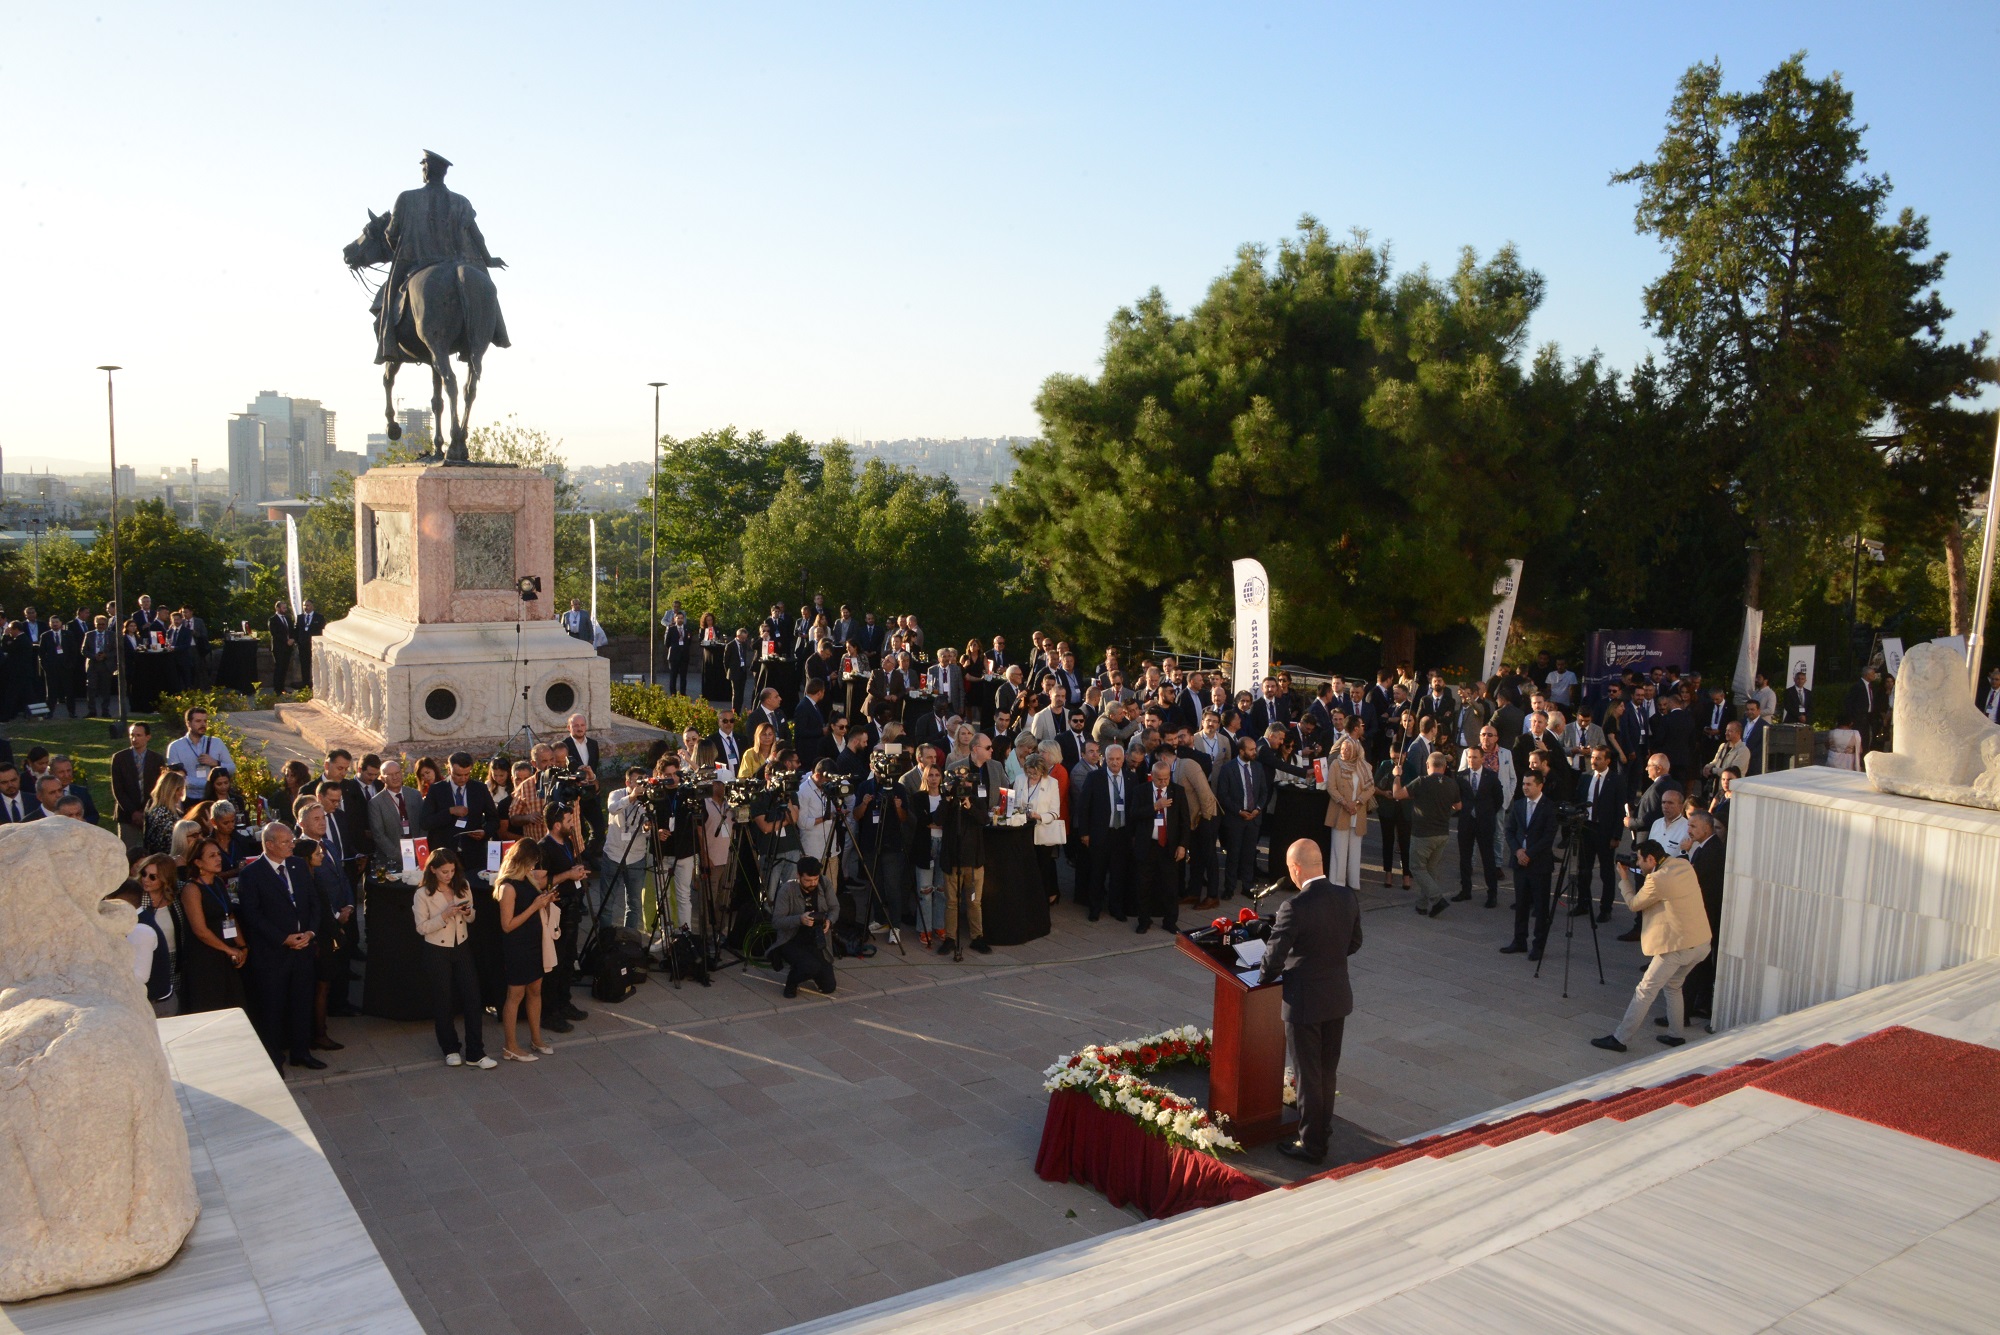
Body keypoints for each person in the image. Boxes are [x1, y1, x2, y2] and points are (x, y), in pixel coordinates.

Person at [1258, 839, 1363, 1166]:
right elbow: (1354, 942)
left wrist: (1267, 974)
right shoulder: (1347, 896)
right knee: (1326, 1072)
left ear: (1295, 869)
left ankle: (1311, 1144)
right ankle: (1322, 1129)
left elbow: (1272, 962)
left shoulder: (1294, 907)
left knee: (1307, 1075)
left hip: (1304, 1002)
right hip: (1336, 997)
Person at [1593, 840, 1714, 1052]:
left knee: (1645, 990)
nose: (1638, 864)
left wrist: (1624, 879)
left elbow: (1634, 904)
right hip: (1701, 944)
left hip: (1677, 947)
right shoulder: (1683, 865)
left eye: (1640, 859)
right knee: (1673, 985)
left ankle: (1620, 1039)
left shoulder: (1657, 880)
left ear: (1651, 859)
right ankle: (1676, 1035)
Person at [236, 823, 326, 1072]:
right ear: (269, 844)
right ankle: (274, 1057)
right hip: (273, 954)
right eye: (286, 842)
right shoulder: (251, 874)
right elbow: (252, 915)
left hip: (303, 949)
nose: (292, 845)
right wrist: (282, 938)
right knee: (273, 1007)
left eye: (291, 841)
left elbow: (313, 902)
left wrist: (311, 932)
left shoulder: (298, 865)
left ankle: (301, 1052)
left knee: (302, 1002)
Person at [413, 847, 494, 1069]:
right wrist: (444, 916)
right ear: (433, 870)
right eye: (444, 872)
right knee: (443, 1000)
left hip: (462, 946)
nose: (449, 875)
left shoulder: (463, 885)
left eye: (452, 871)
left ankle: (476, 1051)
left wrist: (467, 913)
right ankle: (450, 1048)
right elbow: (421, 927)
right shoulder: (423, 894)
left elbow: (472, 916)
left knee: (473, 998)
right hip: (436, 950)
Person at [493, 839, 556, 1063]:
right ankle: (510, 1046)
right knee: (515, 995)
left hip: (535, 943)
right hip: (518, 947)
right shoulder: (507, 887)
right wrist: (534, 906)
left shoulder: (527, 878)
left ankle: (536, 1039)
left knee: (535, 991)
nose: (534, 866)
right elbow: (507, 925)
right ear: (522, 860)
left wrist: (545, 901)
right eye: (532, 862)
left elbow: (535, 905)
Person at [536, 801, 592, 1032]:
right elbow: (540, 882)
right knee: (555, 962)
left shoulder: (567, 842)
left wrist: (577, 873)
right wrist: (568, 874)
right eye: (569, 821)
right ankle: (549, 1012)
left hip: (572, 909)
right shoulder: (543, 848)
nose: (572, 825)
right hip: (556, 911)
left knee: (568, 959)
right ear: (557, 825)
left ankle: (564, 1002)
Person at [939, 735, 995, 956]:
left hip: (973, 859)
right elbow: (939, 818)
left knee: (974, 901)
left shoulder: (976, 797)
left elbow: (983, 819)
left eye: (967, 780)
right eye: (960, 780)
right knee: (951, 902)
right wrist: (949, 799)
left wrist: (969, 805)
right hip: (952, 857)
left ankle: (977, 937)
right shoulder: (949, 798)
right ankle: (950, 938)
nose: (964, 784)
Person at [178, 837, 248, 1014]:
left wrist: (242, 946)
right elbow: (200, 930)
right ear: (198, 862)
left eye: (218, 854)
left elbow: (229, 915)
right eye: (212, 856)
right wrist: (229, 950)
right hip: (205, 959)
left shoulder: (218, 882)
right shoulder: (191, 889)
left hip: (226, 954)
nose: (218, 859)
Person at [1395, 750, 1462, 917]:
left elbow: (1397, 794)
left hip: (1422, 834)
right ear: (1444, 767)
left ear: (1427, 765)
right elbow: (1458, 806)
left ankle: (1437, 898)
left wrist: (1397, 776)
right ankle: (1422, 904)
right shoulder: (1451, 783)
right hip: (1442, 833)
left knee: (1416, 867)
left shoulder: (1421, 781)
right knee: (1430, 869)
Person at [1499, 771, 1557, 959]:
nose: (1525, 787)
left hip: (1539, 864)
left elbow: (1548, 837)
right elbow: (1510, 831)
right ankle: (1519, 940)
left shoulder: (1549, 807)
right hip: (1520, 863)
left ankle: (1538, 945)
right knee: (1521, 904)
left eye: (1529, 784)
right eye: (1523, 784)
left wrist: (1529, 854)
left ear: (1540, 786)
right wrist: (1517, 851)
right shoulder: (1518, 805)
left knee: (1540, 907)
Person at [1677, 810, 1727, 1025]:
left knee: (1694, 965)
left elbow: (1690, 877)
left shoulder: (1711, 850)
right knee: (1704, 965)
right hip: (1705, 915)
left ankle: (1683, 1012)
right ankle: (1701, 1004)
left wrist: (1684, 853)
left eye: (1693, 826)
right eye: (1688, 826)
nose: (1689, 830)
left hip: (1706, 916)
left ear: (1707, 828)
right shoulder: (1705, 847)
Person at [770, 856, 839, 998]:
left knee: (828, 986)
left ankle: (807, 968)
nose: (812, 883)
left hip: (816, 938)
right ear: (798, 876)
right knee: (810, 966)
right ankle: (792, 981)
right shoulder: (787, 890)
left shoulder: (824, 883)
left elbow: (835, 908)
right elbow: (776, 921)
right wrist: (800, 919)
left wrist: (829, 921)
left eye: (815, 879)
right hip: (791, 939)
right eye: (808, 880)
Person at [1214, 734, 1269, 901]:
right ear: (1241, 751)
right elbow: (1223, 795)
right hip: (1235, 819)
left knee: (1249, 854)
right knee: (1233, 854)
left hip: (1253, 818)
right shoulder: (1228, 769)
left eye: (1254, 749)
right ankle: (1229, 887)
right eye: (1251, 750)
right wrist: (1238, 811)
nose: (1254, 752)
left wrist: (1258, 809)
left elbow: (1263, 791)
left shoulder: (1258, 767)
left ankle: (1247, 886)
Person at [600, 767, 653, 931]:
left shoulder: (648, 799)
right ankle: (605, 937)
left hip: (636, 857)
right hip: (613, 855)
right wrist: (631, 797)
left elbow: (647, 831)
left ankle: (629, 937)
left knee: (634, 903)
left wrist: (647, 828)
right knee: (607, 902)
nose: (641, 785)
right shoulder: (616, 794)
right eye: (637, 781)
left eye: (643, 781)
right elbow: (613, 808)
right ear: (627, 782)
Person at [1322, 737, 1373, 893]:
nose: (1344, 751)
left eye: (1348, 749)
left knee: (1355, 849)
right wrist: (1345, 803)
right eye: (1343, 748)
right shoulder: (1336, 764)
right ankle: (1337, 882)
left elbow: (1370, 788)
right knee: (1339, 848)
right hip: (1340, 811)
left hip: (1357, 811)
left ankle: (1353, 881)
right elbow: (1331, 787)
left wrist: (1357, 802)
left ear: (1355, 751)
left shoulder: (1363, 766)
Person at [142, 770, 187, 854]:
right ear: (172, 790)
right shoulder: (162, 813)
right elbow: (168, 843)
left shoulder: (165, 810)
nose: (181, 794)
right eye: (180, 790)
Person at [268, 600, 295, 693]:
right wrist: (286, 641)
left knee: (285, 668)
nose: (285, 609)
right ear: (277, 608)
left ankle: (282, 688)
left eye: (286, 608)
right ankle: (277, 689)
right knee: (279, 668)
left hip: (288, 647)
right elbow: (274, 633)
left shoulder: (288, 618)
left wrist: (292, 639)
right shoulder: (273, 619)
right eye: (283, 608)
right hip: (279, 647)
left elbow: (292, 630)